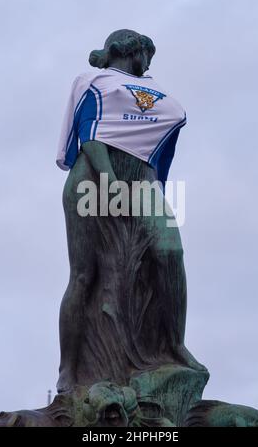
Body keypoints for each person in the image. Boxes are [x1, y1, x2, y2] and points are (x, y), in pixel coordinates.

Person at [56, 29, 205, 394]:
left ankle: (173, 344)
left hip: (141, 182)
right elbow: (91, 137)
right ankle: (69, 371)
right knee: (83, 276)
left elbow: (160, 151)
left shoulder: (159, 95)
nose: (150, 62)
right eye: (147, 53)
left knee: (170, 250)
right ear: (131, 49)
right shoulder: (94, 81)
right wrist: (109, 184)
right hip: (92, 176)